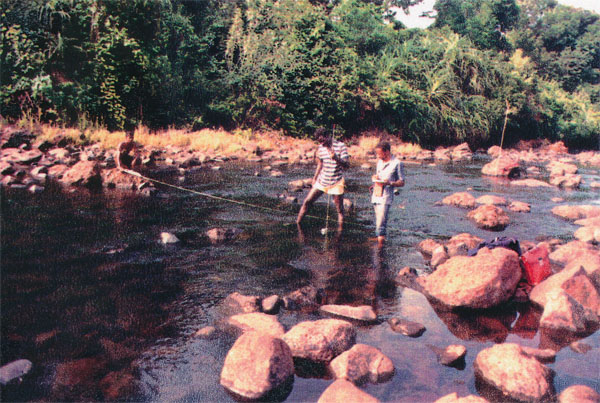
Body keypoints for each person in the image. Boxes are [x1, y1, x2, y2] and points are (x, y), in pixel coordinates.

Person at [296, 127, 349, 230]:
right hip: (322, 180)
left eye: (322, 141)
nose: (321, 144)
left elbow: (347, 165)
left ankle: (340, 233)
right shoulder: (320, 147)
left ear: (328, 136)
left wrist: (336, 158)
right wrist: (315, 178)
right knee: (307, 202)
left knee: (340, 210)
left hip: (336, 182)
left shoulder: (341, 146)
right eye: (319, 141)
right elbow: (320, 163)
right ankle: (297, 224)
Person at [371, 141, 405, 247]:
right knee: (378, 221)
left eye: (379, 153)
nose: (378, 156)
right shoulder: (379, 162)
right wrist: (375, 179)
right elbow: (379, 176)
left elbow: (402, 182)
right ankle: (380, 240)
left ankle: (380, 248)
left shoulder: (397, 163)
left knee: (381, 223)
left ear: (386, 152)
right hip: (376, 194)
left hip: (386, 196)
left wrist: (390, 183)